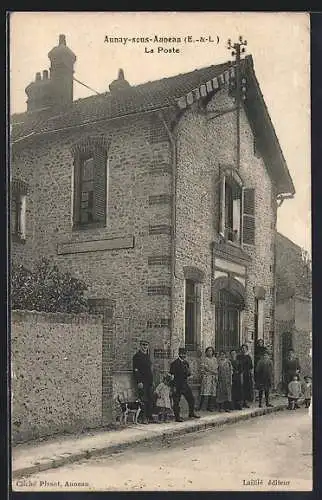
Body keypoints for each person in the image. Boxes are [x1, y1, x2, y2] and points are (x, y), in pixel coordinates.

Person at [170, 348, 200, 422]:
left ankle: (191, 413)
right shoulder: (174, 363)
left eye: (184, 354)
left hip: (185, 385)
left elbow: (188, 373)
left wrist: (190, 375)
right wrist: (172, 387)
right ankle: (177, 417)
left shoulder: (186, 363)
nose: (183, 355)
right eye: (182, 353)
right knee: (176, 401)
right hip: (177, 385)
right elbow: (171, 375)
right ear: (179, 354)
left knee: (191, 399)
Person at [132, 339, 154, 423]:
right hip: (142, 382)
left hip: (149, 381)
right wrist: (139, 381)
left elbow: (149, 370)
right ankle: (143, 417)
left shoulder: (148, 356)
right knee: (143, 399)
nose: (145, 347)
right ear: (140, 346)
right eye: (143, 345)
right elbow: (136, 370)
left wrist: (152, 380)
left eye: (146, 345)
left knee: (150, 399)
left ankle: (149, 416)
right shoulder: (137, 356)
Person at [199, 346, 218, 411]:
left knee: (212, 392)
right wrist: (211, 371)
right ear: (206, 352)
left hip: (213, 378)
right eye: (208, 351)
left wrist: (212, 372)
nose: (210, 352)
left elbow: (216, 368)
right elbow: (204, 369)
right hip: (207, 378)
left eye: (211, 351)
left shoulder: (215, 359)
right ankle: (203, 407)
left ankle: (211, 407)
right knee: (206, 392)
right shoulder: (204, 359)